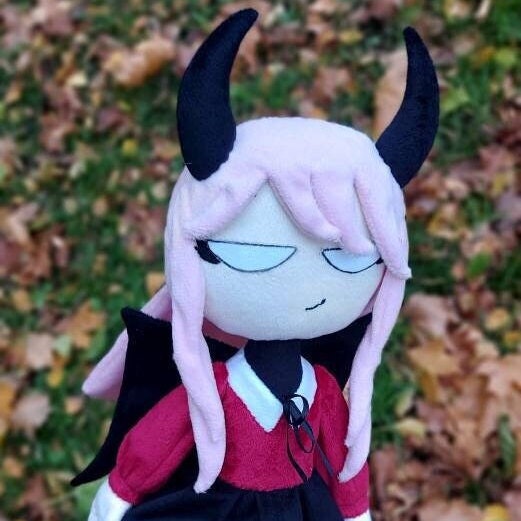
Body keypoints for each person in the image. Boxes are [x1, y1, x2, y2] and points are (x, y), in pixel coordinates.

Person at [84, 8, 439, 521]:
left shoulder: (321, 392)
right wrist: (119, 494)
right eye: (252, 256)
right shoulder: (217, 389)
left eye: (348, 260)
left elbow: (344, 461)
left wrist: (355, 511)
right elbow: (157, 443)